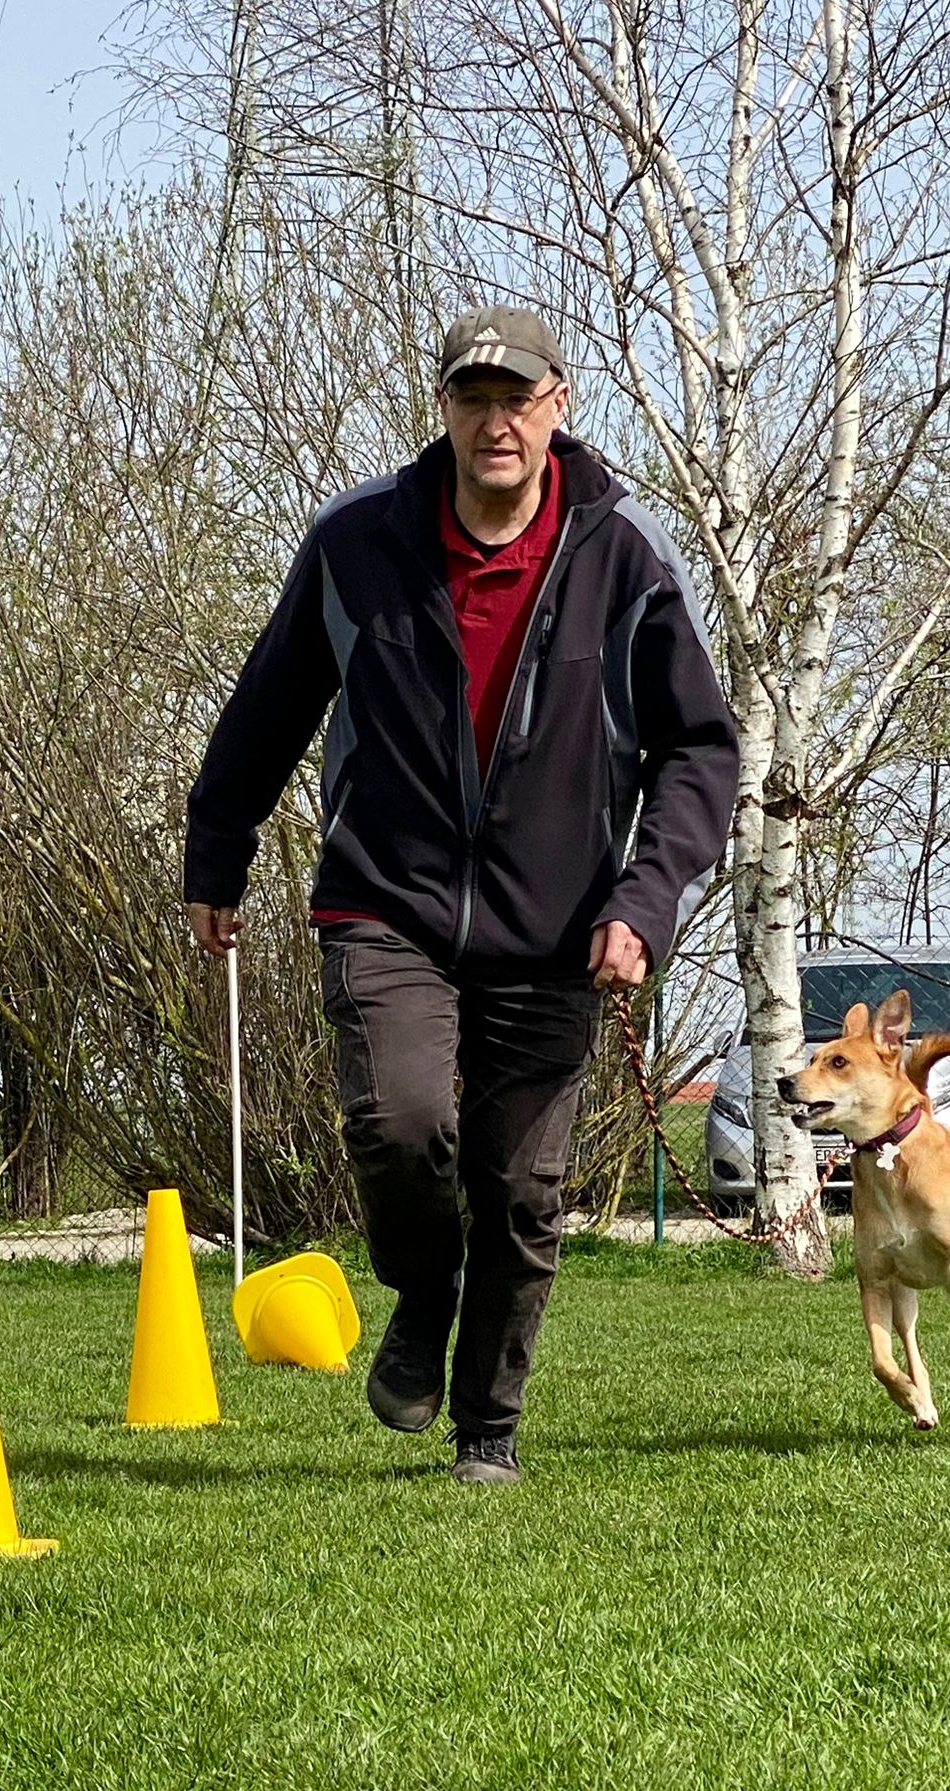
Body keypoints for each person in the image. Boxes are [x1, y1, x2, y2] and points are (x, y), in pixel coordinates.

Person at [185, 305, 738, 1484]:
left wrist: (643, 900)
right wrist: (216, 851)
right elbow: (269, 702)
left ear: (557, 405)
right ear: (442, 408)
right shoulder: (356, 542)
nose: (494, 422)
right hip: (386, 899)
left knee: (521, 1191)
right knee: (399, 1123)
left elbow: (699, 750)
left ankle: (487, 1430)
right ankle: (423, 1285)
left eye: (515, 399)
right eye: (471, 398)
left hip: (560, 924)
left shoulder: (625, 551)